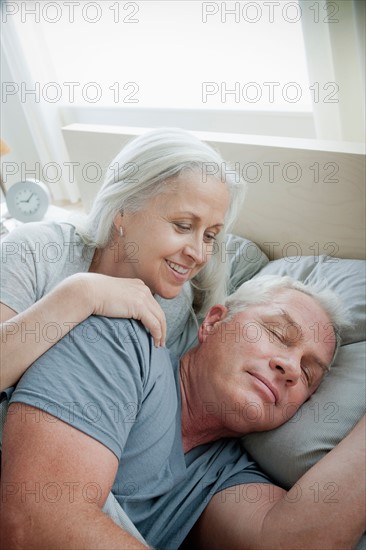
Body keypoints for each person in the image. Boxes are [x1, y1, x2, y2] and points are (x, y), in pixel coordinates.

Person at [1, 275, 364, 549]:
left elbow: (294, 542)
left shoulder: (224, 474)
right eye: (277, 332)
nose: (290, 367)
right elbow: (34, 524)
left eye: (308, 373)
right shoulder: (124, 343)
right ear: (213, 322)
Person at [0, 127, 249, 392]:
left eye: (210, 236)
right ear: (123, 210)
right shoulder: (34, 251)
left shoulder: (172, 303)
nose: (198, 254)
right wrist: (83, 294)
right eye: (183, 225)